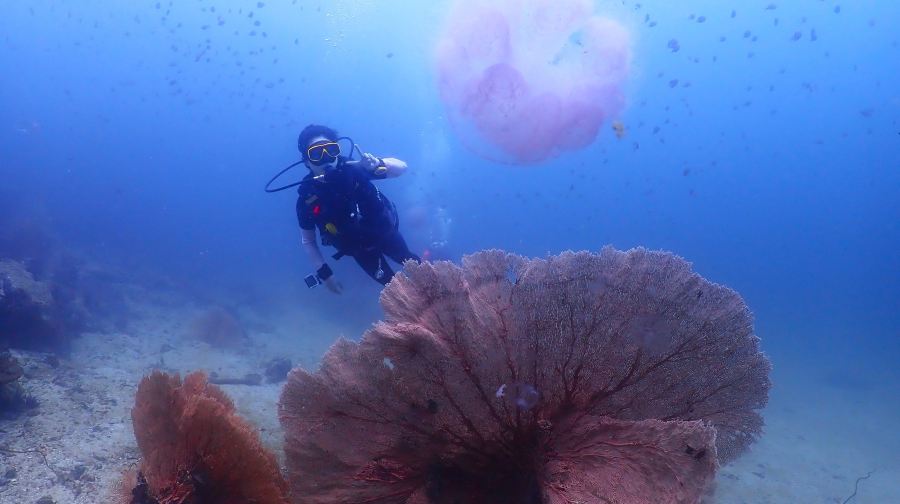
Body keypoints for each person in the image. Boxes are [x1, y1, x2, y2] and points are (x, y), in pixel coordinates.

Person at [294, 124, 419, 293]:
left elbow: (402, 168)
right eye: (316, 154)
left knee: (416, 269)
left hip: (386, 234)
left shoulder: (355, 170)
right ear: (306, 161)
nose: (326, 158)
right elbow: (308, 241)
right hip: (360, 251)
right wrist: (325, 273)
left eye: (331, 150)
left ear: (337, 152)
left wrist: (378, 163)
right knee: (398, 291)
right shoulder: (307, 198)